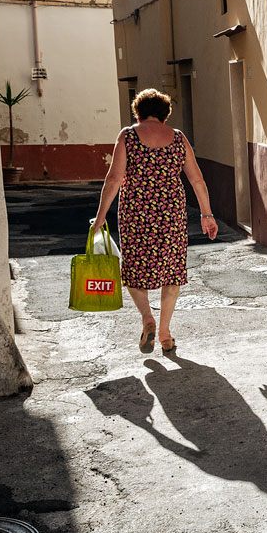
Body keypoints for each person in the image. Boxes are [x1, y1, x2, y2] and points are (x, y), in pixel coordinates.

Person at [91, 88, 218, 355]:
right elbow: (197, 180)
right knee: (171, 272)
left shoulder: (128, 136)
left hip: (135, 214)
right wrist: (207, 215)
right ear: (165, 114)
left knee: (135, 270)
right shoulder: (179, 139)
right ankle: (164, 332)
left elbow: (113, 179)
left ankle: (147, 318)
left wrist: (100, 217)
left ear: (137, 111)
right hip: (171, 214)